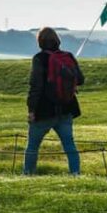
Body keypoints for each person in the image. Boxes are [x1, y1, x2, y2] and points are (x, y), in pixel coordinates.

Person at [24, 27, 85, 176]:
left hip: (44, 110)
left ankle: (28, 174)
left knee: (32, 146)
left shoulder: (39, 59)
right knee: (69, 145)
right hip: (66, 108)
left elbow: (36, 87)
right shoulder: (68, 56)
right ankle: (75, 174)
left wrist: (31, 110)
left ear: (40, 42)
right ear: (57, 40)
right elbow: (81, 79)